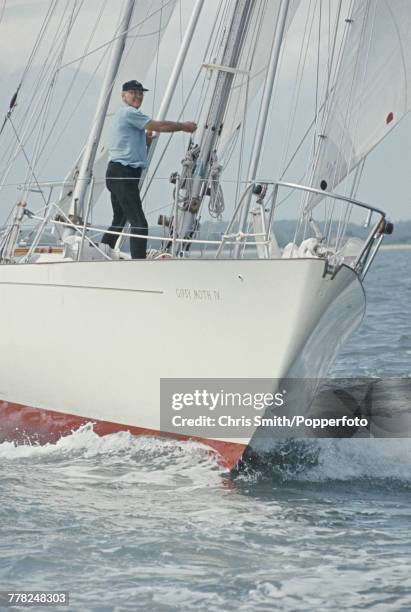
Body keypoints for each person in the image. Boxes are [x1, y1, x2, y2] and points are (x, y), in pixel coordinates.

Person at [101, 80, 197, 259]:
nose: (137, 96)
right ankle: (140, 265)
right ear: (123, 96)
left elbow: (126, 142)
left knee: (120, 219)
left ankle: (101, 252)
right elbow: (159, 126)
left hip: (118, 173)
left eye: (140, 93)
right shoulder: (129, 113)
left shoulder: (127, 116)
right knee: (139, 223)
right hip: (123, 173)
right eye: (133, 93)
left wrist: (146, 141)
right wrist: (184, 127)